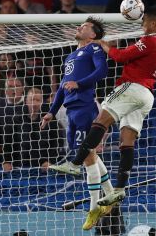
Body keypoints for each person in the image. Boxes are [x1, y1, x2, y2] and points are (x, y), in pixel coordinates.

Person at [49, 7, 156, 209]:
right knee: (126, 142)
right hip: (148, 95)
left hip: (131, 88)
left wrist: (104, 45)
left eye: (143, 24)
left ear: (152, 23)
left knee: (100, 121)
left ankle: (75, 164)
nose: (141, 27)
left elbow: (120, 56)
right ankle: (119, 190)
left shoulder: (150, 40)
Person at [41, 16, 112, 230]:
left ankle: (94, 208)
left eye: (85, 26)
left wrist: (79, 83)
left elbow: (102, 71)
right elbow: (64, 86)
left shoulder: (95, 49)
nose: (79, 26)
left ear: (93, 34)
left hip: (84, 107)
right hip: (71, 110)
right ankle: (110, 194)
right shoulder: (71, 55)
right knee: (90, 154)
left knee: (87, 156)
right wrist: (52, 113)